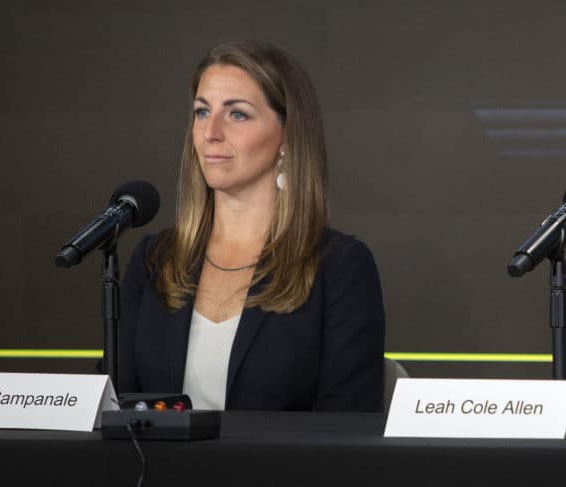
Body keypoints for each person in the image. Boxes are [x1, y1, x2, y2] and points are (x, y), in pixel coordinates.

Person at [117, 40, 386, 412]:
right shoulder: (154, 259)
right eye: (201, 111)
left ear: (287, 135)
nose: (210, 132)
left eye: (237, 114)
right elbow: (115, 410)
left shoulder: (339, 267)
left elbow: (345, 431)